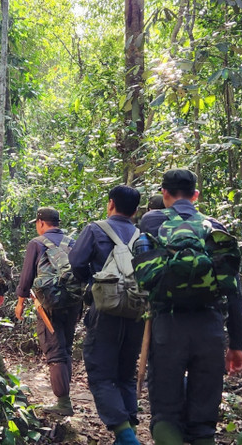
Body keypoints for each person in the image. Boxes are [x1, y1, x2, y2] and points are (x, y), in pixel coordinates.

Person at [138, 169, 242, 445]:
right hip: (209, 326)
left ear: (164, 194)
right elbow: (233, 290)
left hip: (167, 327)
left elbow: (141, 274)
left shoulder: (150, 222)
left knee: (165, 415)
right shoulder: (215, 227)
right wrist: (236, 343)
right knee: (203, 423)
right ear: (195, 195)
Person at [68, 185, 144, 445]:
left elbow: (76, 263)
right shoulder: (142, 235)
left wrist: (94, 282)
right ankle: (129, 430)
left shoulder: (94, 229)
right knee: (126, 373)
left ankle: (125, 435)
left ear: (110, 204)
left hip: (104, 311)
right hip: (135, 311)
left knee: (101, 373)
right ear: (136, 210)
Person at [15, 207, 81, 416]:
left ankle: (63, 402)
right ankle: (65, 396)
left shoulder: (37, 243)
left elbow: (26, 277)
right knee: (66, 347)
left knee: (55, 350)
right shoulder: (73, 241)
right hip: (73, 302)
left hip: (48, 304)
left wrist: (20, 302)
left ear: (42, 223)